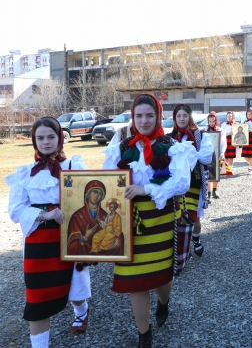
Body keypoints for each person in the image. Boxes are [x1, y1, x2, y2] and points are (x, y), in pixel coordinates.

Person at [103, 94, 195, 347]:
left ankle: (164, 301)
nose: (143, 121)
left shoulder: (171, 145)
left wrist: (146, 190)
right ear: (133, 117)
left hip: (159, 216)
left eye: (149, 115)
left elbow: (181, 183)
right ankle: (144, 332)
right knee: (136, 280)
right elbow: (107, 178)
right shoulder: (121, 145)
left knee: (162, 276)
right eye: (139, 116)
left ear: (158, 116)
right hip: (128, 220)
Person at [7, 117, 91, 347]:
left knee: (75, 284)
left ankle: (81, 312)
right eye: (40, 138)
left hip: (71, 238)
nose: (46, 142)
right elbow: (15, 211)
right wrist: (44, 215)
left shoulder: (73, 166)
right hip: (38, 243)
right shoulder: (25, 173)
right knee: (37, 299)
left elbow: (93, 197)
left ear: (60, 138)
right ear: (34, 141)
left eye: (51, 137)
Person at [169, 104, 214, 258]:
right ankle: (181, 249)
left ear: (190, 117)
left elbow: (207, 156)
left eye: (184, 116)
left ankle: (196, 239)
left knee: (193, 216)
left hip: (194, 182)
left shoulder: (199, 135)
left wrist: (189, 154)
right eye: (178, 116)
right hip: (175, 184)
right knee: (177, 216)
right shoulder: (169, 137)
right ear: (174, 118)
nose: (181, 119)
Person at [67, 180, 123, 256]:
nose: (97, 195)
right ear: (88, 193)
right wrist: (85, 237)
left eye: (100, 194)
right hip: (84, 258)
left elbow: (117, 230)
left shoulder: (105, 215)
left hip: (104, 256)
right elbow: (71, 247)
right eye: (95, 192)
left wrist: (118, 239)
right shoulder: (77, 217)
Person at [202, 112, 226, 199]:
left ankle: (215, 190)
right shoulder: (204, 130)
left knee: (216, 172)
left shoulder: (220, 130)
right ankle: (209, 194)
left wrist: (222, 152)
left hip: (217, 153)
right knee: (208, 173)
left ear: (216, 121)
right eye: (210, 121)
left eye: (213, 121)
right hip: (208, 154)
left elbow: (223, 143)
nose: (211, 123)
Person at [222, 111, 237, 176]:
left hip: (233, 141)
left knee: (231, 156)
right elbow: (221, 134)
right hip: (225, 141)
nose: (229, 117)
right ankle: (225, 170)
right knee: (225, 156)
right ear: (226, 117)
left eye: (230, 116)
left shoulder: (235, 124)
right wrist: (228, 133)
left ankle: (229, 170)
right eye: (228, 116)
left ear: (232, 117)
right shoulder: (223, 124)